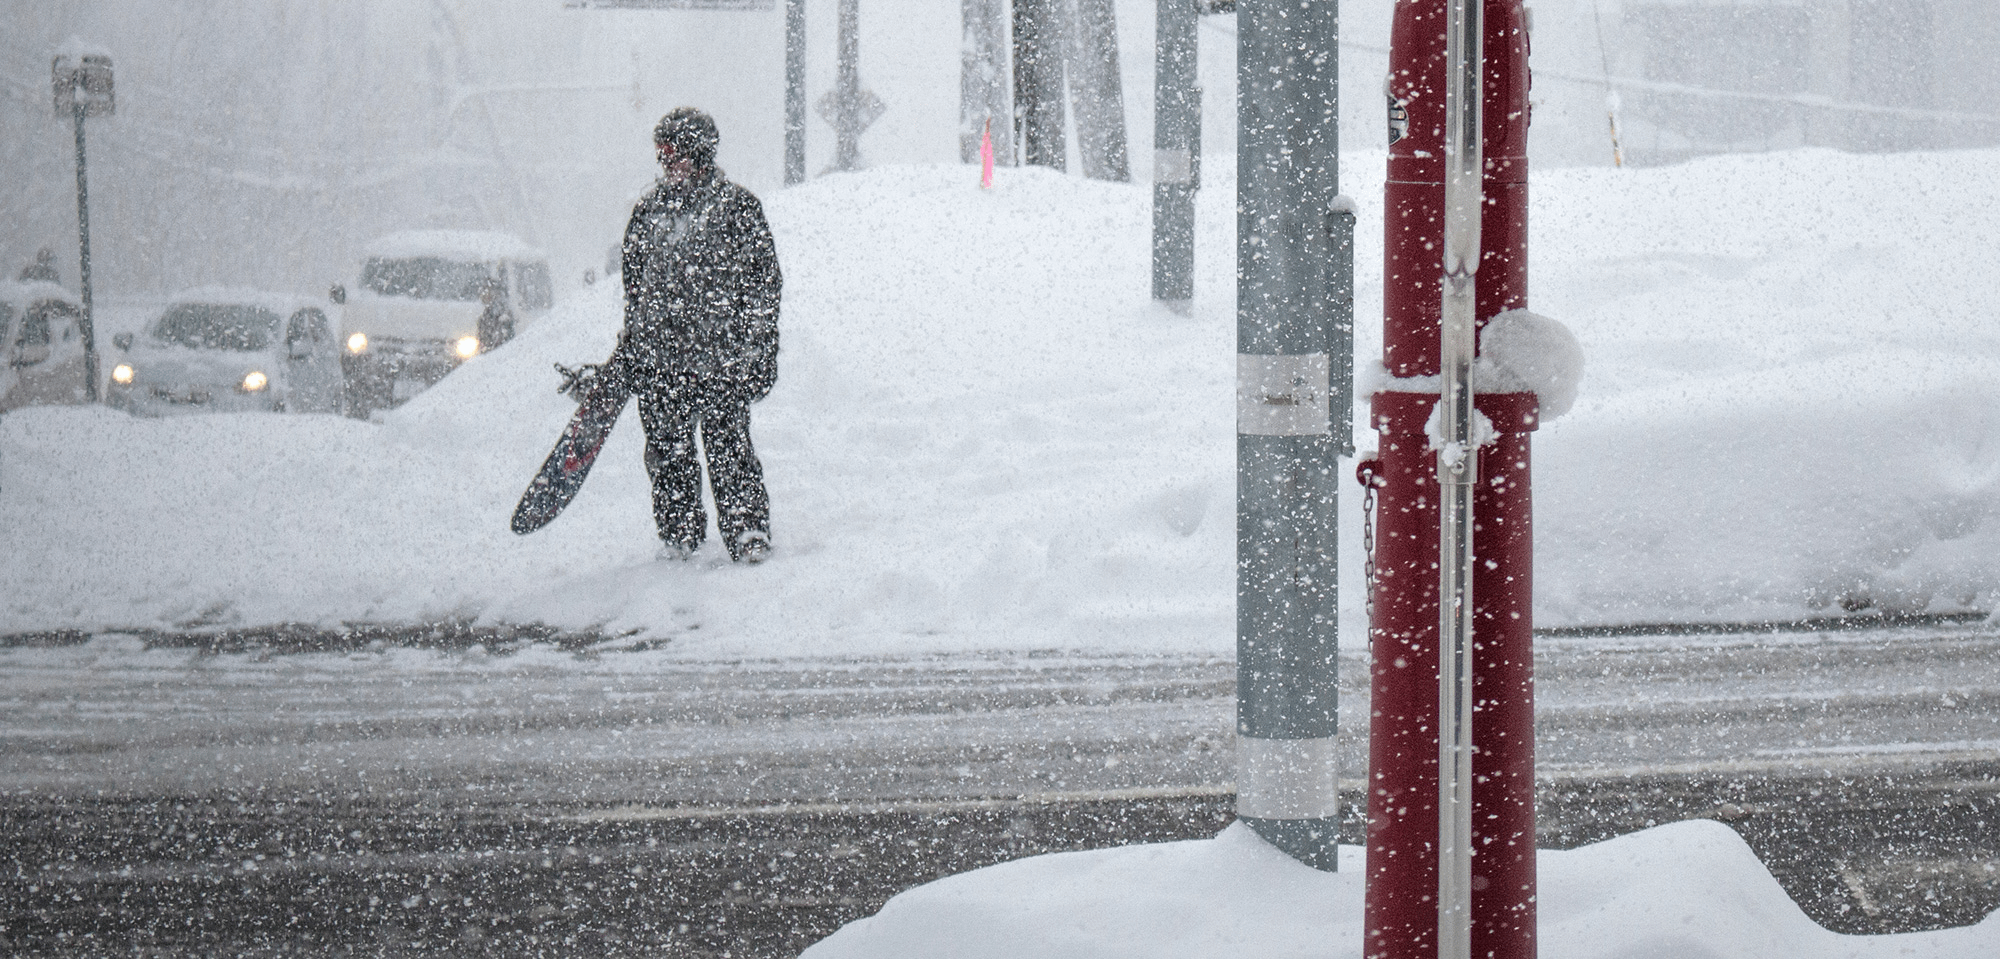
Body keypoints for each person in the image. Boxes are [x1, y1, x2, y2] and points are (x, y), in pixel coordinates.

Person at [609, 107, 781, 564]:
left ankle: (747, 531)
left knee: (729, 448)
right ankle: (679, 535)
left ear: (700, 156)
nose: (667, 164)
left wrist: (760, 348)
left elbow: (762, 286)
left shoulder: (737, 208)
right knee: (667, 452)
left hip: (720, 360)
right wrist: (635, 346)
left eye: (675, 153)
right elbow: (636, 286)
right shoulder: (648, 212)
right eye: (661, 154)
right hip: (661, 362)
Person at [475, 278, 514, 352]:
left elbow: (508, 332)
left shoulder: (500, 310)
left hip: (501, 350)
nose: (484, 295)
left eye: (487, 291)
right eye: (483, 292)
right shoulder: (486, 313)